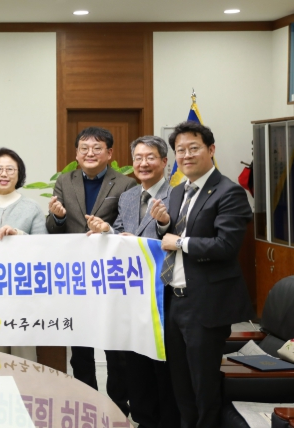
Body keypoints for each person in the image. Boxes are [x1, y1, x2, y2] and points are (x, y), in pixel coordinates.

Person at [158, 121, 253, 428]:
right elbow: (171, 235)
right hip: (174, 301)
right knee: (180, 383)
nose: (186, 155)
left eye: (193, 148)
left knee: (204, 385)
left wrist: (180, 242)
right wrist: (164, 226)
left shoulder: (229, 192)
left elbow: (226, 245)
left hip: (206, 304)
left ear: (211, 150)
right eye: (180, 150)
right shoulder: (177, 192)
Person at [86, 135, 181, 428]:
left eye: (150, 157)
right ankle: (143, 419)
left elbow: (177, 237)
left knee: (162, 364)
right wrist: (106, 231)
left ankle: (167, 421)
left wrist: (162, 223)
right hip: (131, 294)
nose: (143, 163)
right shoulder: (128, 197)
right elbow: (120, 233)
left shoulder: (178, 195)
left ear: (164, 161)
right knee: (136, 363)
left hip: (163, 294)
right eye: (138, 158)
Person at [45, 126, 136, 415]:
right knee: (80, 348)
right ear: (76, 153)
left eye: (97, 148)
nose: (90, 153)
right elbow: (53, 229)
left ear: (109, 153)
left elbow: (129, 227)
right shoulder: (65, 180)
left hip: (110, 277)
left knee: (116, 349)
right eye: (84, 148)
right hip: (75, 279)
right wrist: (58, 218)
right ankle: (87, 406)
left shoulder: (126, 184)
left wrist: (106, 229)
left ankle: (117, 407)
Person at [0, 147, 45, 361]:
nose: (4, 174)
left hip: (23, 290)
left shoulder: (32, 207)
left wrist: (18, 234)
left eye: (10, 169)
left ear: (19, 174)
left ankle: (26, 385)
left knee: (24, 356)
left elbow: (43, 248)